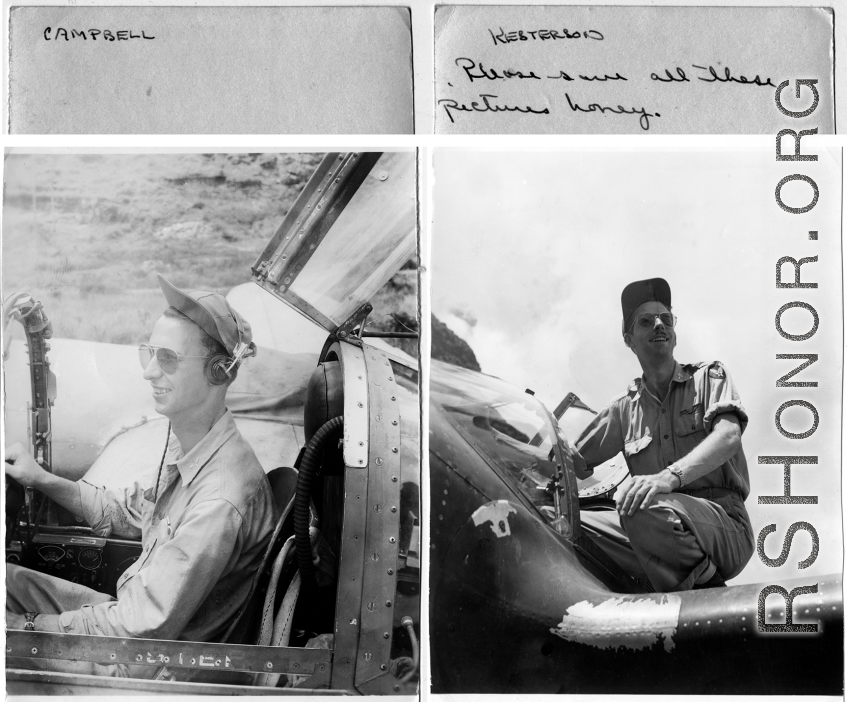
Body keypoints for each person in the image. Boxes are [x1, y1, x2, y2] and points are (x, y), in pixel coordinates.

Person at [5, 274, 278, 676]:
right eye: (149, 353)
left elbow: (136, 628)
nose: (149, 372)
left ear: (219, 372)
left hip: (147, 666)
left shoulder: (220, 499)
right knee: (6, 581)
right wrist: (42, 479)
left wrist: (27, 630)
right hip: (131, 627)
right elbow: (133, 514)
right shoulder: (195, 449)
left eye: (167, 359)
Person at [575, 278, 754, 592]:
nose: (659, 325)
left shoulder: (708, 376)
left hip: (723, 525)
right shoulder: (623, 409)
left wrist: (668, 478)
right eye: (646, 321)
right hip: (656, 525)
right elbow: (571, 460)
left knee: (640, 503)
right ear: (629, 339)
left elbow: (728, 436)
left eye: (666, 319)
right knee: (558, 520)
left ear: (674, 331)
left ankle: (707, 593)